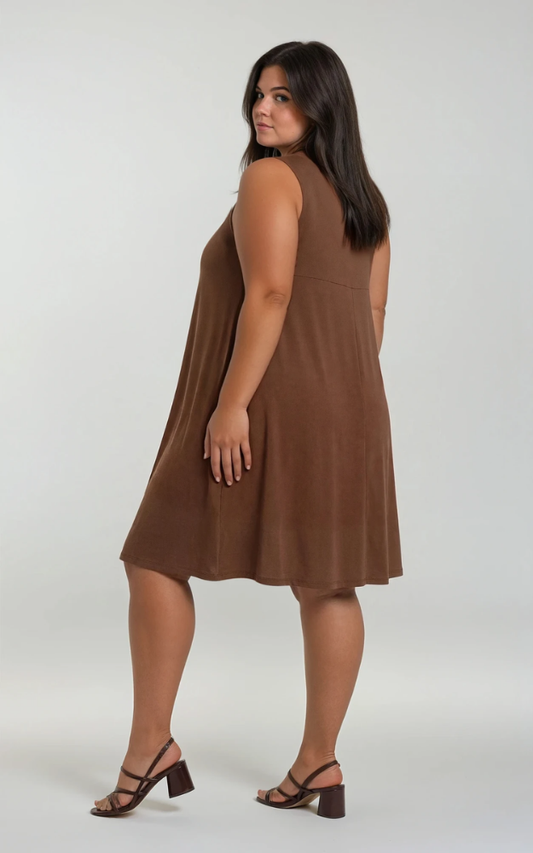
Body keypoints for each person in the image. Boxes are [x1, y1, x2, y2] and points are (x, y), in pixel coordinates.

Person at [91, 40, 403, 819]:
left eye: (284, 97)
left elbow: (268, 294)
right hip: (349, 407)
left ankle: (149, 747)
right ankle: (318, 762)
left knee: (155, 554)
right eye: (259, 93)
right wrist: (335, 402)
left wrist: (232, 405)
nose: (263, 108)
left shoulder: (271, 178)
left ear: (321, 107)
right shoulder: (366, 203)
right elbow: (370, 318)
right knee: (326, 580)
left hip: (261, 399)